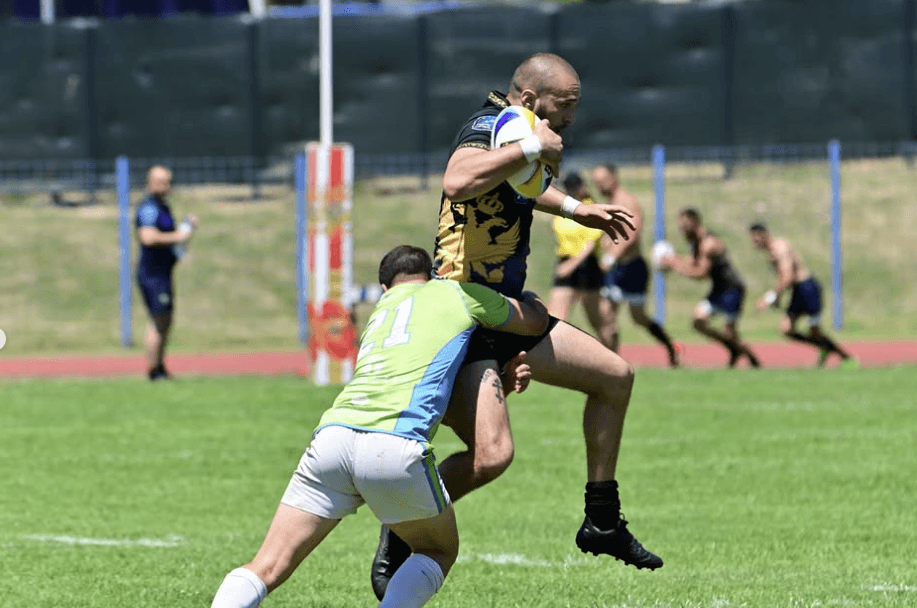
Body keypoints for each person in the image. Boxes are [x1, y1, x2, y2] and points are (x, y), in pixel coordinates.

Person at [373, 53, 662, 602]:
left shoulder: (521, 133)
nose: (572, 117)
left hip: (507, 307)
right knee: (491, 457)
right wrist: (532, 148)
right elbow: (458, 181)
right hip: (465, 309)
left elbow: (520, 188)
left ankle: (601, 518)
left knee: (615, 376)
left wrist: (578, 210)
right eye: (566, 104)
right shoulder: (490, 127)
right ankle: (402, 528)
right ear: (530, 100)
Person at [208, 245, 548, 608]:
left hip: (333, 438)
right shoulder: (457, 294)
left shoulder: (380, 312)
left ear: (385, 288)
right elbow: (533, 323)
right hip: (394, 446)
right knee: (436, 550)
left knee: (267, 565)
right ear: (430, 275)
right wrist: (533, 301)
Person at [591, 164, 682, 367]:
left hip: (632, 268)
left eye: (602, 180)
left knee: (639, 318)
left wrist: (611, 257)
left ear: (614, 177)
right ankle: (613, 363)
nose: (598, 185)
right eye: (595, 181)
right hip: (615, 271)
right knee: (606, 315)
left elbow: (632, 234)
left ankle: (671, 346)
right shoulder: (608, 202)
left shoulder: (627, 201)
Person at [658, 208, 760, 368]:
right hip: (718, 289)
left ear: (695, 223)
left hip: (732, 289)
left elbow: (700, 273)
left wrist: (674, 265)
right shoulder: (697, 241)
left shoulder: (708, 244)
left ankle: (755, 361)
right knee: (698, 322)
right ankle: (732, 349)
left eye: (684, 227)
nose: (681, 231)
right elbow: (693, 260)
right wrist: (675, 259)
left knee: (731, 333)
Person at [748, 223, 855, 367]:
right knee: (787, 329)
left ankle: (846, 358)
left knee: (815, 330)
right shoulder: (770, 253)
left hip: (808, 289)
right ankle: (825, 348)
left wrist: (769, 298)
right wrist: (778, 298)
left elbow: (788, 276)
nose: (754, 243)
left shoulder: (780, 248)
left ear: (764, 235)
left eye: (756, 239)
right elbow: (782, 278)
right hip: (797, 291)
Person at [134, 165, 197, 380]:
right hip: (153, 274)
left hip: (163, 272)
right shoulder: (149, 208)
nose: (167, 186)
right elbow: (148, 237)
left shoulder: (163, 206)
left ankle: (160, 366)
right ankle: (153, 370)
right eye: (162, 182)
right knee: (158, 320)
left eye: (169, 181)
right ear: (150, 182)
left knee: (166, 319)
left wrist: (185, 229)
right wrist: (178, 237)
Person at [545, 172, 615, 348]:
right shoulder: (563, 208)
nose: (570, 190)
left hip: (586, 265)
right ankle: (556, 365)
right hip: (566, 262)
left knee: (598, 322)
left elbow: (590, 245)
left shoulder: (591, 207)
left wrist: (571, 266)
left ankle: (616, 362)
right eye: (567, 187)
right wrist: (567, 265)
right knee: (553, 319)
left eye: (573, 186)